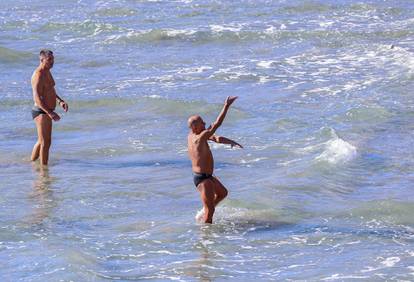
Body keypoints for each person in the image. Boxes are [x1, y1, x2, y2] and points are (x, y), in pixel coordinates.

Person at [187, 96, 242, 224]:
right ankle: (206, 237)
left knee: (222, 193)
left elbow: (216, 137)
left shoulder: (193, 135)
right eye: (202, 123)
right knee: (210, 211)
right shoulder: (199, 138)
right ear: (195, 127)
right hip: (203, 179)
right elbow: (216, 124)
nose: (205, 124)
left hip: (208, 176)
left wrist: (231, 142)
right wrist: (226, 106)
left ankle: (203, 212)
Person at [31, 49, 68, 166]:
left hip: (47, 111)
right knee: (45, 143)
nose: (52, 62)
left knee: (42, 141)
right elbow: (37, 98)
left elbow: (50, 90)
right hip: (41, 111)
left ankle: (32, 162)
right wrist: (50, 113)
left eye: (53, 59)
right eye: (49, 60)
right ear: (42, 60)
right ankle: (43, 172)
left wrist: (60, 101)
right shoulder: (38, 75)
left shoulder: (47, 71)